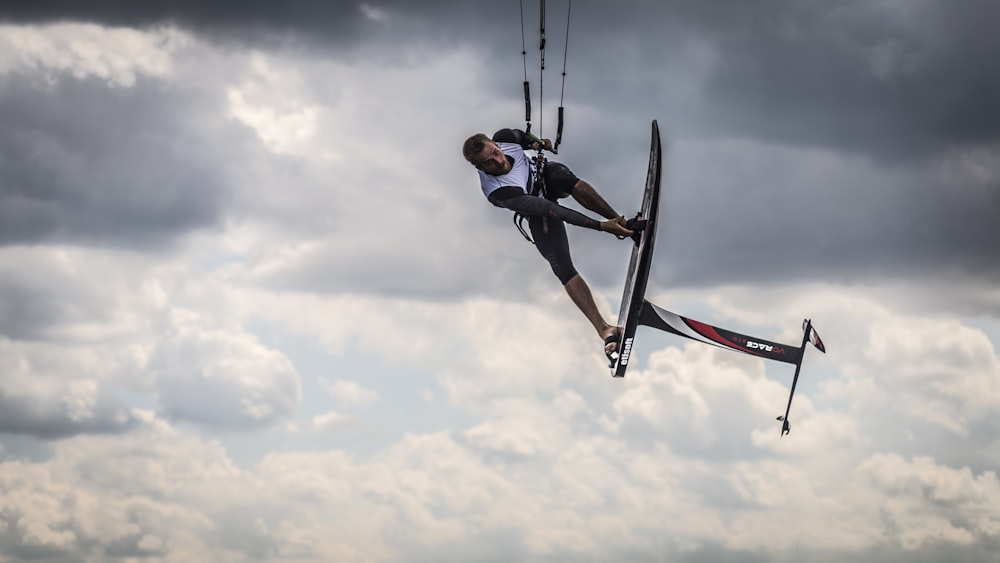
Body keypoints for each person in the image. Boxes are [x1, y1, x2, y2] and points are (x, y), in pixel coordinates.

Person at [462, 128, 638, 360]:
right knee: (561, 267)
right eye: (490, 162)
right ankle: (605, 330)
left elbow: (523, 138)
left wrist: (537, 143)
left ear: (496, 144)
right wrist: (600, 226)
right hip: (539, 209)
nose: (498, 160)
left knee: (563, 177)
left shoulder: (505, 138)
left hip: (547, 177)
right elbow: (549, 209)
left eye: (496, 152)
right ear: (480, 168)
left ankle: (624, 224)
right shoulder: (498, 192)